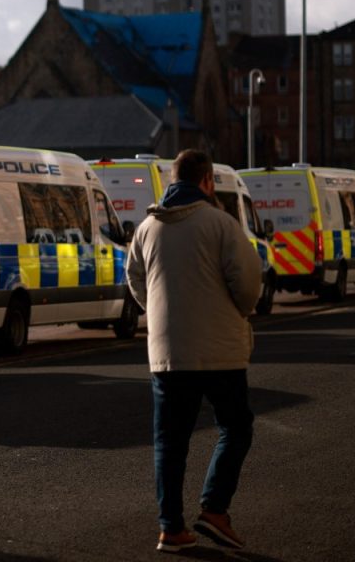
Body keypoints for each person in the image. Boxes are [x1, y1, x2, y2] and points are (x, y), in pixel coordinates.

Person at [126, 149, 262, 553]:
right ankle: (214, 509)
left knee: (170, 441)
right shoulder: (221, 224)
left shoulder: (147, 228)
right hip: (219, 349)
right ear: (206, 181)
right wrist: (239, 311)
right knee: (236, 427)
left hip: (168, 352)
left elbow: (135, 280)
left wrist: (159, 314)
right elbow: (248, 283)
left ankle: (171, 528)